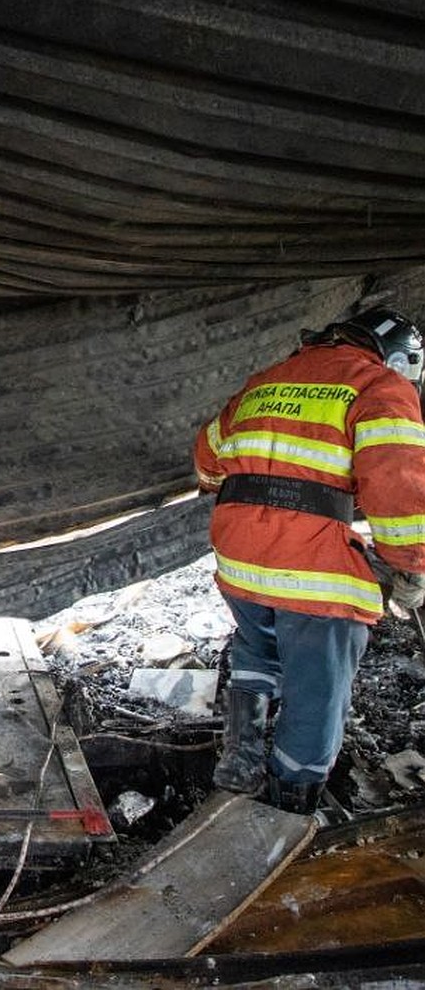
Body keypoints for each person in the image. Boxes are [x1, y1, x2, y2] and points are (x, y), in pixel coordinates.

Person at [194, 304, 425, 814]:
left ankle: (242, 754)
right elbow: (397, 490)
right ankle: (289, 804)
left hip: (239, 554)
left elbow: (207, 460)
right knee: (318, 685)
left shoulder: (269, 379)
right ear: (396, 357)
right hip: (311, 569)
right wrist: (410, 564)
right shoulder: (381, 389)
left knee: (259, 645)